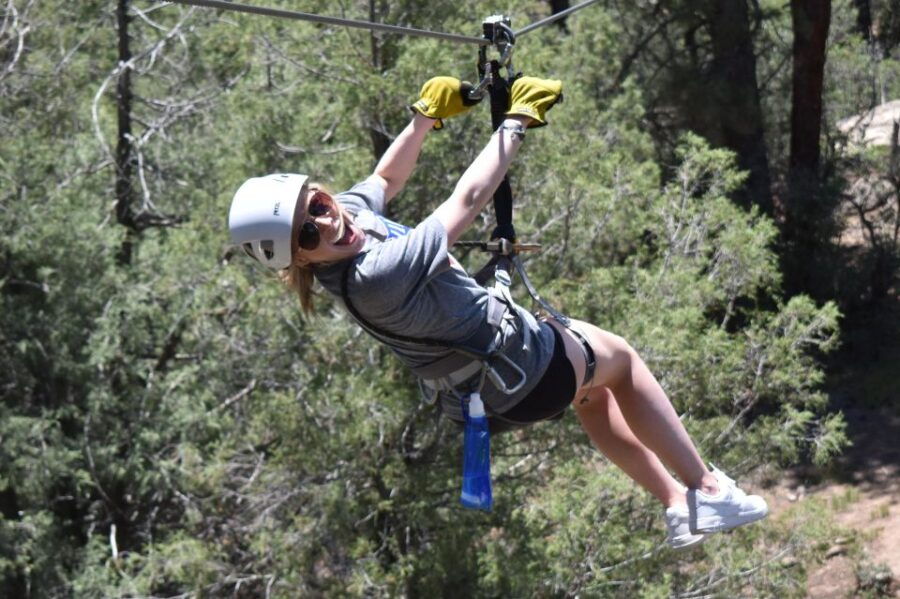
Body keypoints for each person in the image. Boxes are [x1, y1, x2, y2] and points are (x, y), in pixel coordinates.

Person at [228, 76, 769, 549]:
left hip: (486, 398)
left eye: (318, 204)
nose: (325, 222)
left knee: (595, 394)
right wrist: (515, 122)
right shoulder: (375, 275)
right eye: (307, 231)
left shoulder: (346, 227)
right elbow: (466, 202)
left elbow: (385, 181)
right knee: (621, 360)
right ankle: (709, 490)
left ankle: (676, 506)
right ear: (298, 256)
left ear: (321, 191)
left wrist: (422, 120)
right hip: (525, 373)